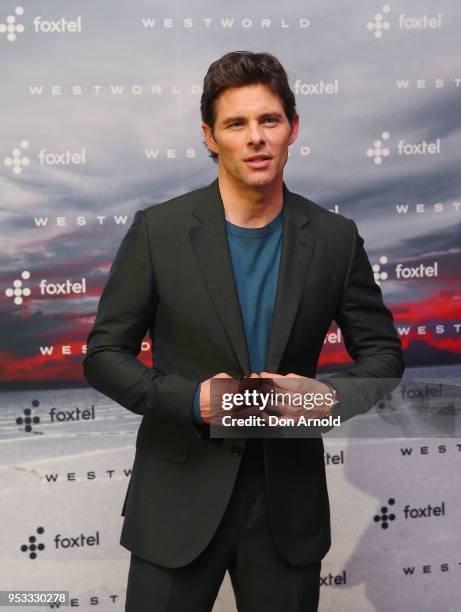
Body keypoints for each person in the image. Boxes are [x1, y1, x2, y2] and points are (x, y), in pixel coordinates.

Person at [83, 51, 404, 612]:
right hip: (177, 502)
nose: (255, 138)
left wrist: (326, 398)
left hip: (286, 507)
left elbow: (382, 354)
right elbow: (104, 354)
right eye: (236, 124)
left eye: (269, 120)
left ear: (293, 129)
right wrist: (191, 401)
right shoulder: (159, 231)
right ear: (210, 137)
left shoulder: (334, 238)